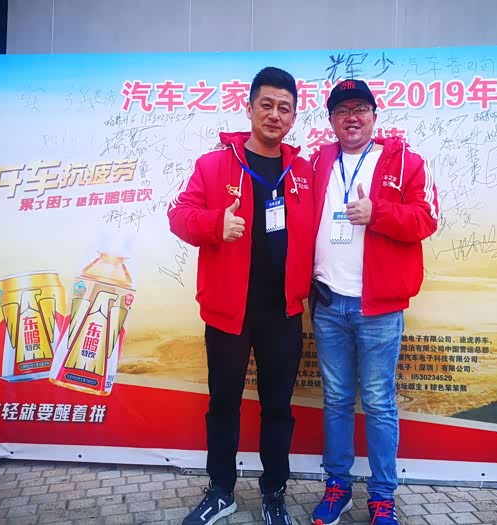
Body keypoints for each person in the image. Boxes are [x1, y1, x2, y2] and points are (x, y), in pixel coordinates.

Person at [168, 66, 313, 525]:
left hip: (283, 312)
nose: (274, 114)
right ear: (249, 108)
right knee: (223, 405)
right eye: (266, 104)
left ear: (293, 117)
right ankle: (221, 491)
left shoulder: (303, 172)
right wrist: (216, 224)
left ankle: (274, 493)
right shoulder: (214, 165)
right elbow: (179, 215)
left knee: (278, 408)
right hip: (228, 311)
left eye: (284, 108)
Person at [308, 79, 438, 525]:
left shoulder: (404, 161)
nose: (352, 117)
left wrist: (377, 213)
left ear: (374, 116)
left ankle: (382, 498)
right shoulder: (317, 161)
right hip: (328, 303)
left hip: (378, 308)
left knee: (379, 403)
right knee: (336, 400)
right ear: (331, 120)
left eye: (360, 108)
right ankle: (337, 487)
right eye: (342, 110)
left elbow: (427, 218)